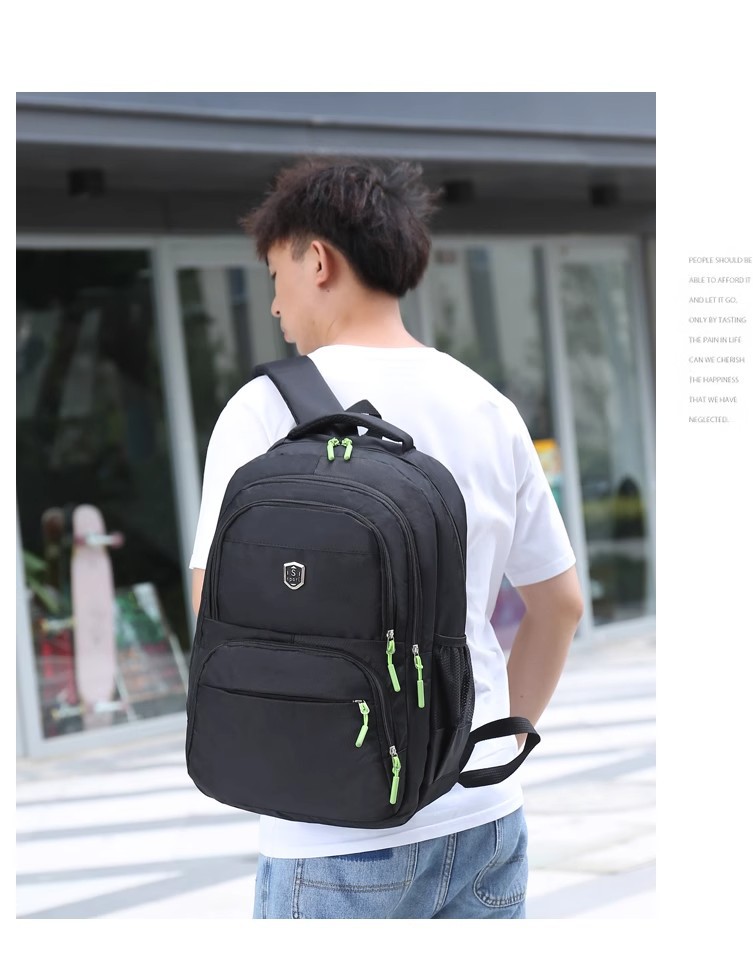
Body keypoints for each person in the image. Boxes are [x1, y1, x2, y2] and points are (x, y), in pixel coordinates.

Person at [188, 156, 584, 919]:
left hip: (330, 832)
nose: (274, 305)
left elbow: (217, 615)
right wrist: (489, 744)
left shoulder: (264, 411)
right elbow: (560, 604)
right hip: (484, 816)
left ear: (317, 260)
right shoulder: (487, 406)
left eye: (275, 276)